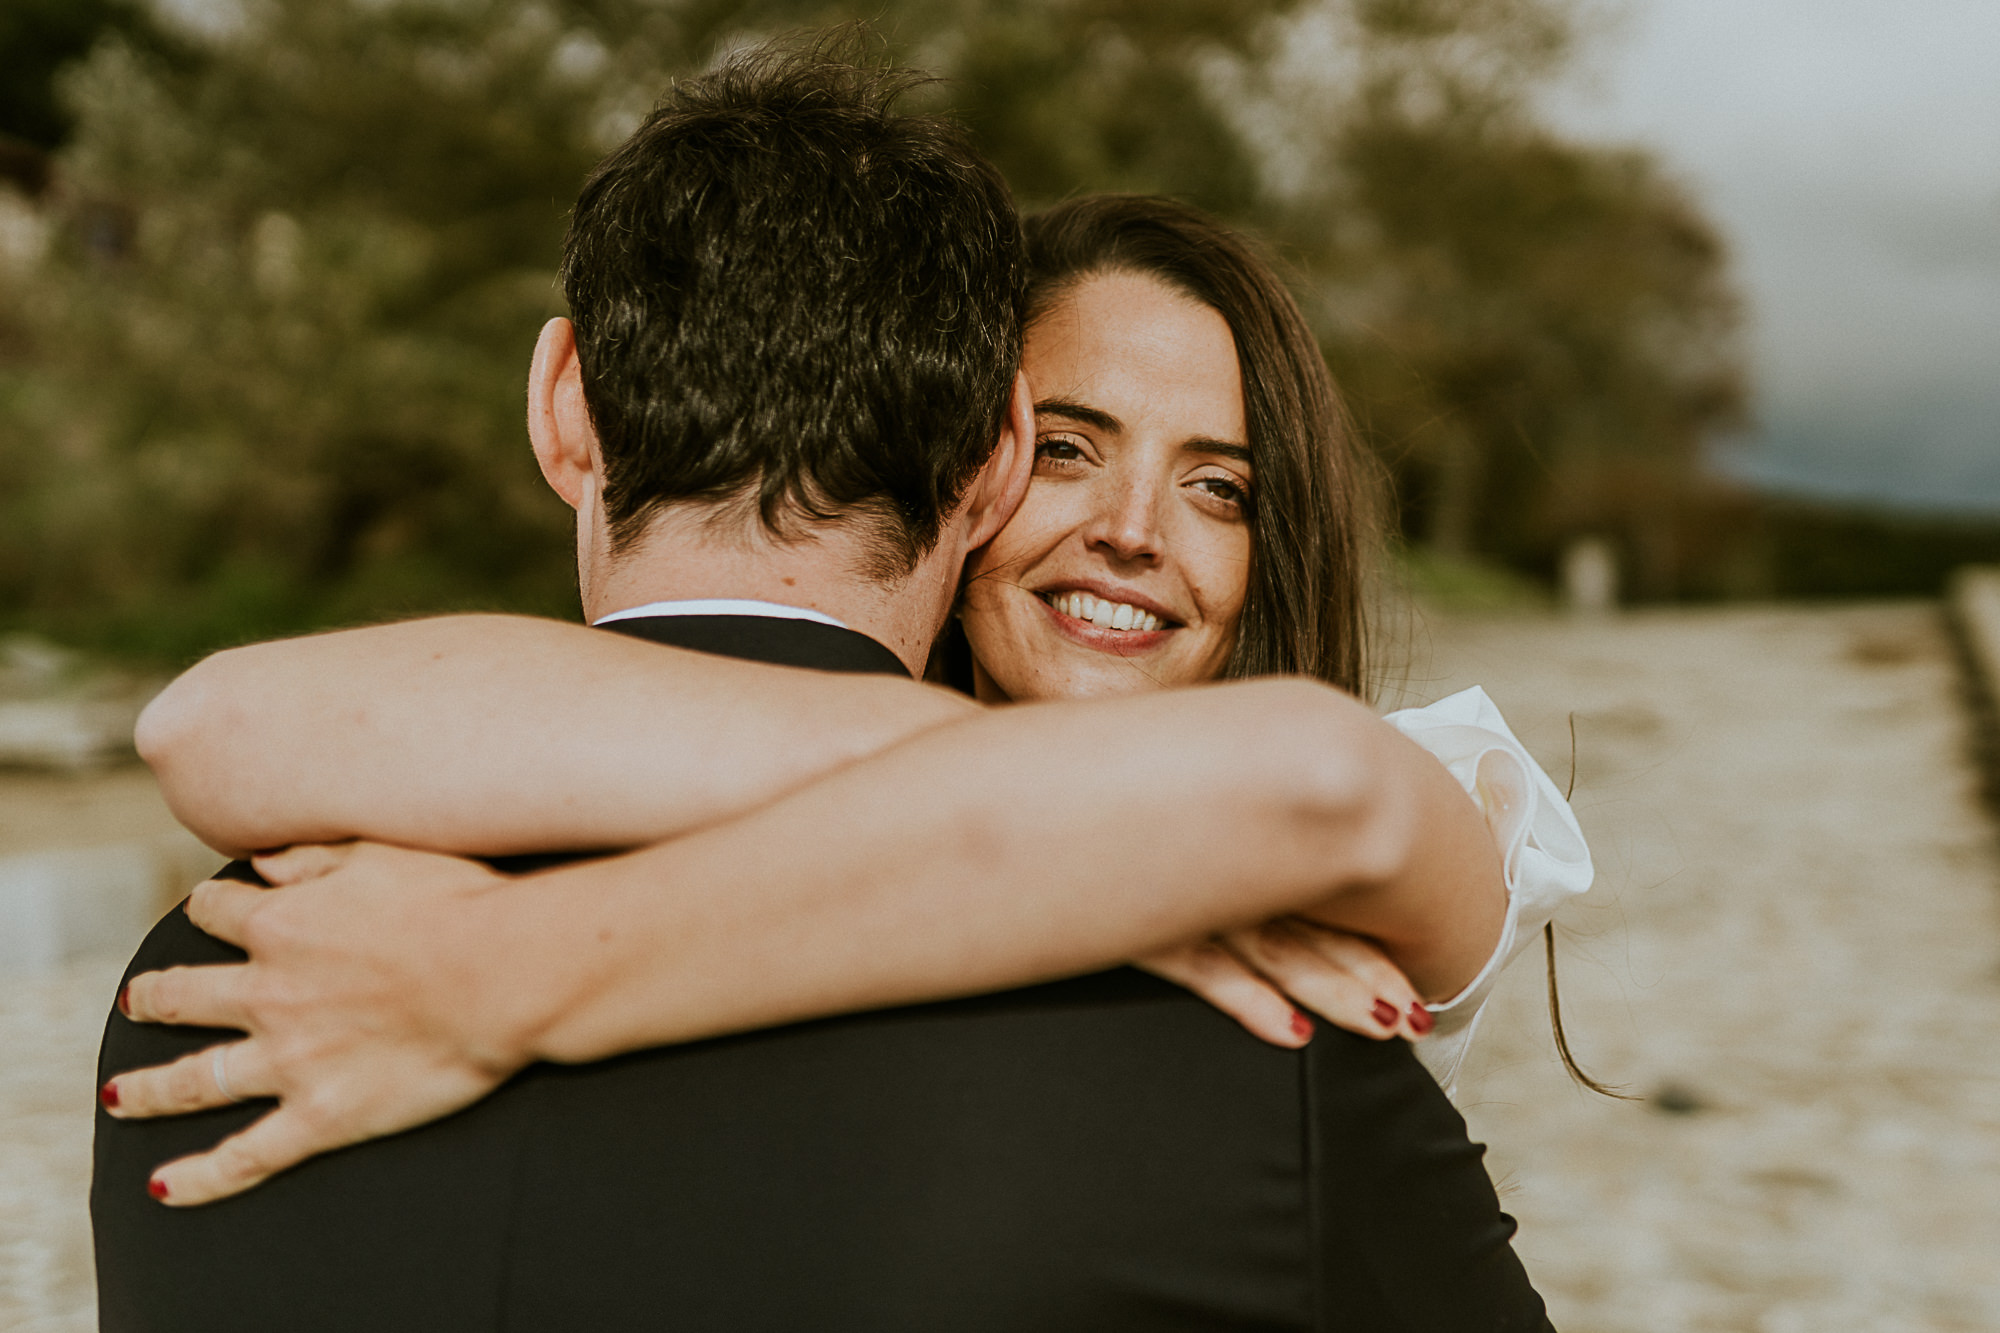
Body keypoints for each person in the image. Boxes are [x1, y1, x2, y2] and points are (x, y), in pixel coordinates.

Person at [95, 40, 1565, 1332]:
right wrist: (1103, 807)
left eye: (1222, 485)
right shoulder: (1260, 1016)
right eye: (1069, 444)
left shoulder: (218, 978)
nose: (1131, 527)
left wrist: (492, 976)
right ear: (993, 458)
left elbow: (206, 719)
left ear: (561, 405)